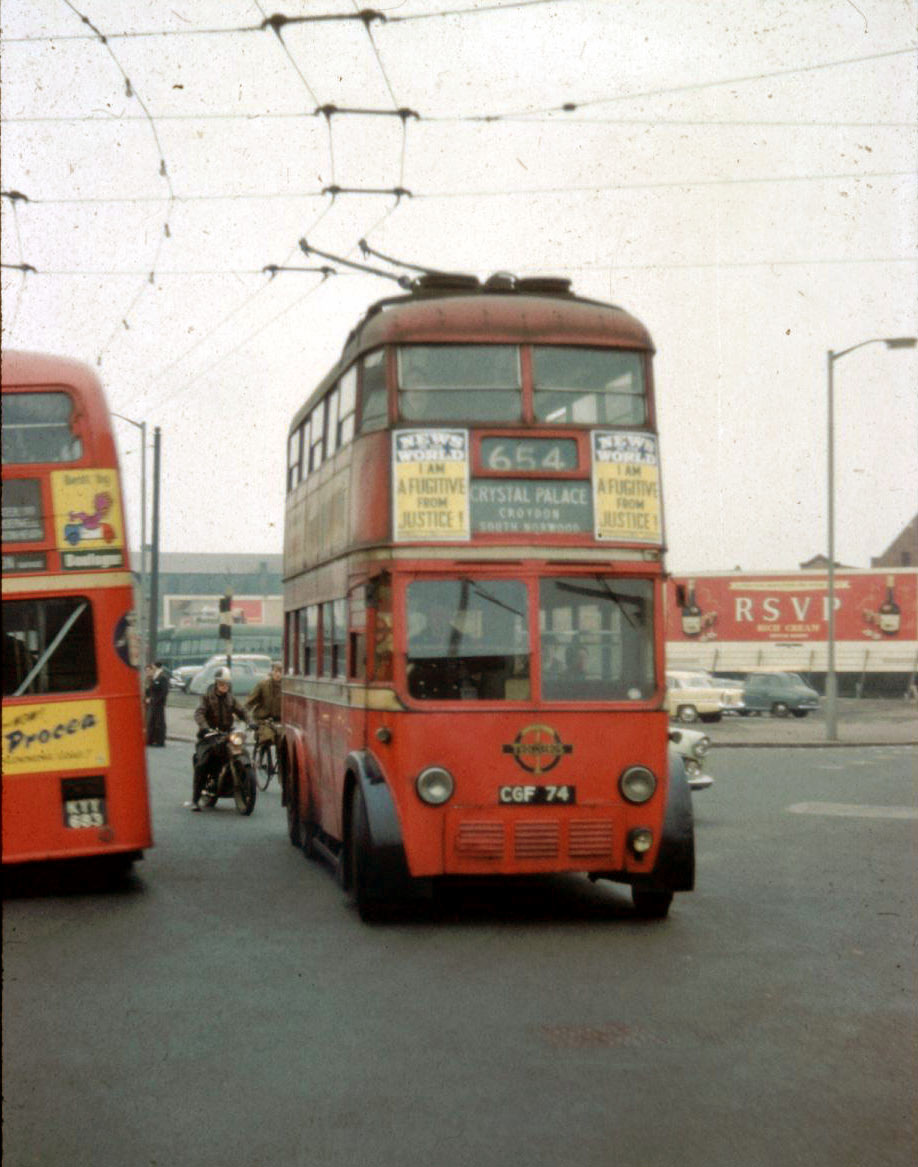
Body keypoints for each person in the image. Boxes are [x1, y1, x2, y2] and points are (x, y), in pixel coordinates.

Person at [187, 666, 250, 811]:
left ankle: (244, 785)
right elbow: (199, 713)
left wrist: (250, 721)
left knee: (243, 752)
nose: (224, 686)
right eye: (222, 683)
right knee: (202, 763)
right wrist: (205, 727)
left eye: (227, 683)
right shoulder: (206, 697)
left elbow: (242, 710)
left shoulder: (230, 698)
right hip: (209, 736)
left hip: (226, 735)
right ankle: (195, 799)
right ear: (216, 683)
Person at [246, 661, 283, 749]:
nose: (277, 674)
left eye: (280, 672)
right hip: (263, 720)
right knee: (267, 737)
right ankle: (261, 757)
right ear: (271, 672)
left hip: (280, 721)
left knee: (283, 741)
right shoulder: (263, 685)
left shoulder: (287, 687)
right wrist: (245, 716)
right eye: (275, 671)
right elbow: (250, 702)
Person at [145, 660, 170, 746]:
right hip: (153, 702)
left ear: (155, 666)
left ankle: (160, 741)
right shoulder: (156, 676)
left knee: (159, 722)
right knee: (152, 721)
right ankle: (151, 740)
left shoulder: (162, 676)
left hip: (159, 703)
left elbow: (164, 691)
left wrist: (157, 701)